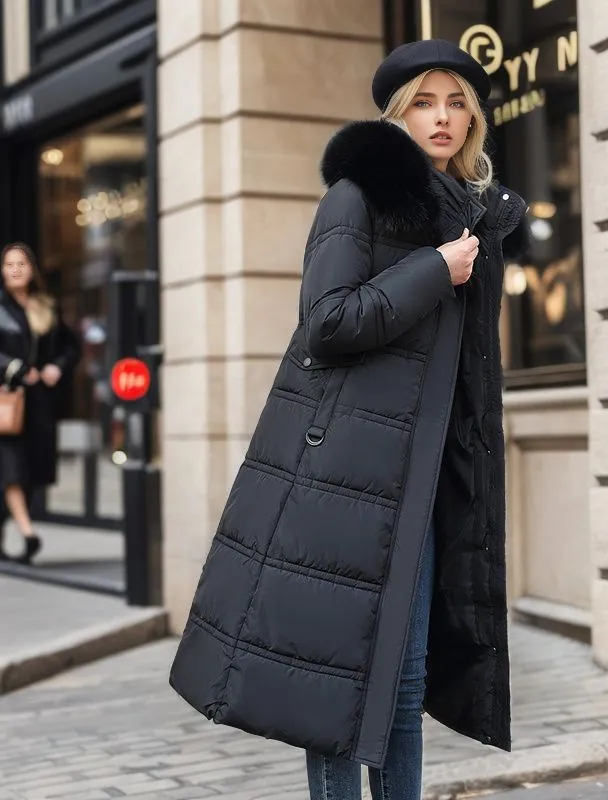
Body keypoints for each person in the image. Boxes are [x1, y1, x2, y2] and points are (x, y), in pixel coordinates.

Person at [169, 39, 527, 799]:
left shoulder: (472, 216)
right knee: (332, 685)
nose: (443, 117)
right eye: (424, 102)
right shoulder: (357, 198)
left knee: (405, 681)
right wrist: (433, 269)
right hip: (348, 475)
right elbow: (327, 323)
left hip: (426, 477)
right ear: (398, 114)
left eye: (456, 103)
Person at [0, 242, 79, 564]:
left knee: (30, 471)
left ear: (31, 269)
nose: (15, 270)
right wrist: (16, 368)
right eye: (9, 264)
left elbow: (70, 346)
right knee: (11, 469)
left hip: (38, 404)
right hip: (5, 402)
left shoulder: (46, 305)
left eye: (21, 264)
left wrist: (56, 367)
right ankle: (29, 534)